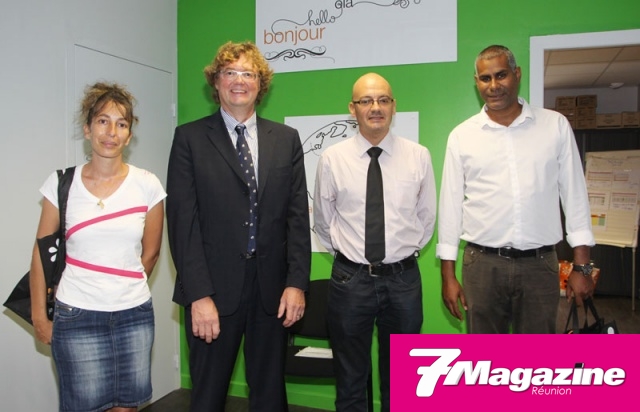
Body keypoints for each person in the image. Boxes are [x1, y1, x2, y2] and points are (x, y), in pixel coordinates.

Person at [166, 41, 310, 411]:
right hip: (212, 294)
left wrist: (296, 284)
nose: (239, 80)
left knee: (270, 398)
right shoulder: (189, 139)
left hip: (272, 293)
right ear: (215, 82)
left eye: (248, 73)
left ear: (261, 84)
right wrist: (198, 296)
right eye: (229, 72)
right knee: (208, 398)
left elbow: (297, 218)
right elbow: (183, 224)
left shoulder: (286, 140)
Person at [436, 45, 595, 334]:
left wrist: (581, 265)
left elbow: (575, 196)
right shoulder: (462, 136)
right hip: (482, 267)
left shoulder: (554, 126)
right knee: (485, 358)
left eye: (501, 75)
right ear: (476, 82)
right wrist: (447, 275)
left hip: (539, 266)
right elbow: (450, 207)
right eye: (485, 78)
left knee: (535, 357)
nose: (493, 86)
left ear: (517, 74)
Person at [29, 82, 166, 412]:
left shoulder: (148, 184)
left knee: (127, 407)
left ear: (129, 136)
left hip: (134, 315)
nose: (111, 132)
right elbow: (40, 254)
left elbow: (151, 253)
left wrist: (122, 289)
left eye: (121, 124)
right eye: (103, 121)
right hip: (76, 314)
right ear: (88, 128)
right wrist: (39, 316)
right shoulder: (61, 183)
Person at [314, 73, 436, 411]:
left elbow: (426, 217)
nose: (375, 107)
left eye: (383, 99)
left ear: (394, 106)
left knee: (402, 381)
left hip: (403, 280)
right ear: (352, 108)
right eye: (366, 101)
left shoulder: (418, 156)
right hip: (350, 280)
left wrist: (401, 254)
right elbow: (323, 221)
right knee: (350, 379)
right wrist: (349, 257)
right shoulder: (333, 159)